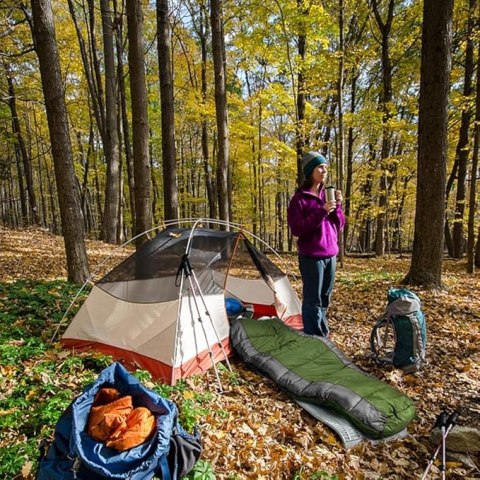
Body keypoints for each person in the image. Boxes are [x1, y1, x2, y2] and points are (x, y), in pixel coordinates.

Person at [287, 151, 345, 337]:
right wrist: (321, 212)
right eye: (320, 167)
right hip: (312, 257)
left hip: (330, 255)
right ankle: (314, 338)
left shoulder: (326, 196)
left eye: (326, 168)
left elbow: (339, 226)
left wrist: (338, 207)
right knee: (313, 299)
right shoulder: (300, 199)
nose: (324, 171)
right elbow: (297, 229)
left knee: (325, 298)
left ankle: (322, 333)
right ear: (310, 170)